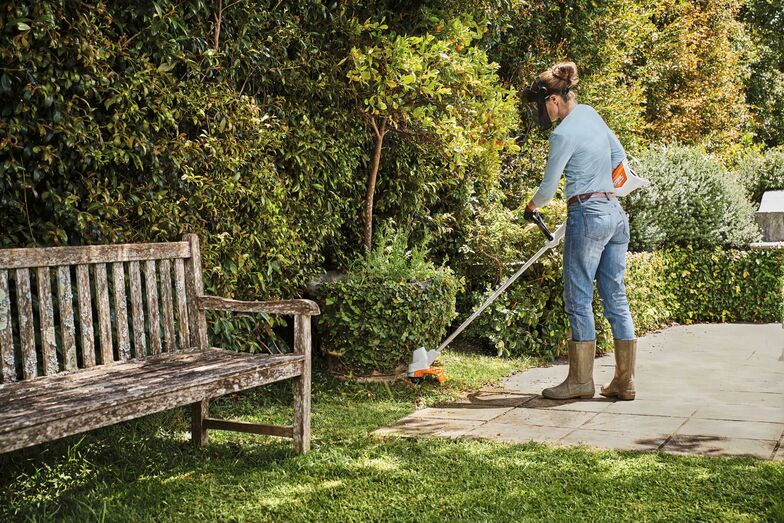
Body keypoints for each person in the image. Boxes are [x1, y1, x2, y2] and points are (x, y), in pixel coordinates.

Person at [523, 61, 637, 401]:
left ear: (554, 100)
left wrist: (531, 208)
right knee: (615, 295)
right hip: (615, 213)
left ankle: (580, 382)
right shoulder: (591, 113)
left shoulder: (562, 133)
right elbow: (619, 157)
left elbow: (547, 189)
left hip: (587, 213)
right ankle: (624, 382)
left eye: (543, 105)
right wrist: (603, 186)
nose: (544, 113)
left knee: (578, 297)